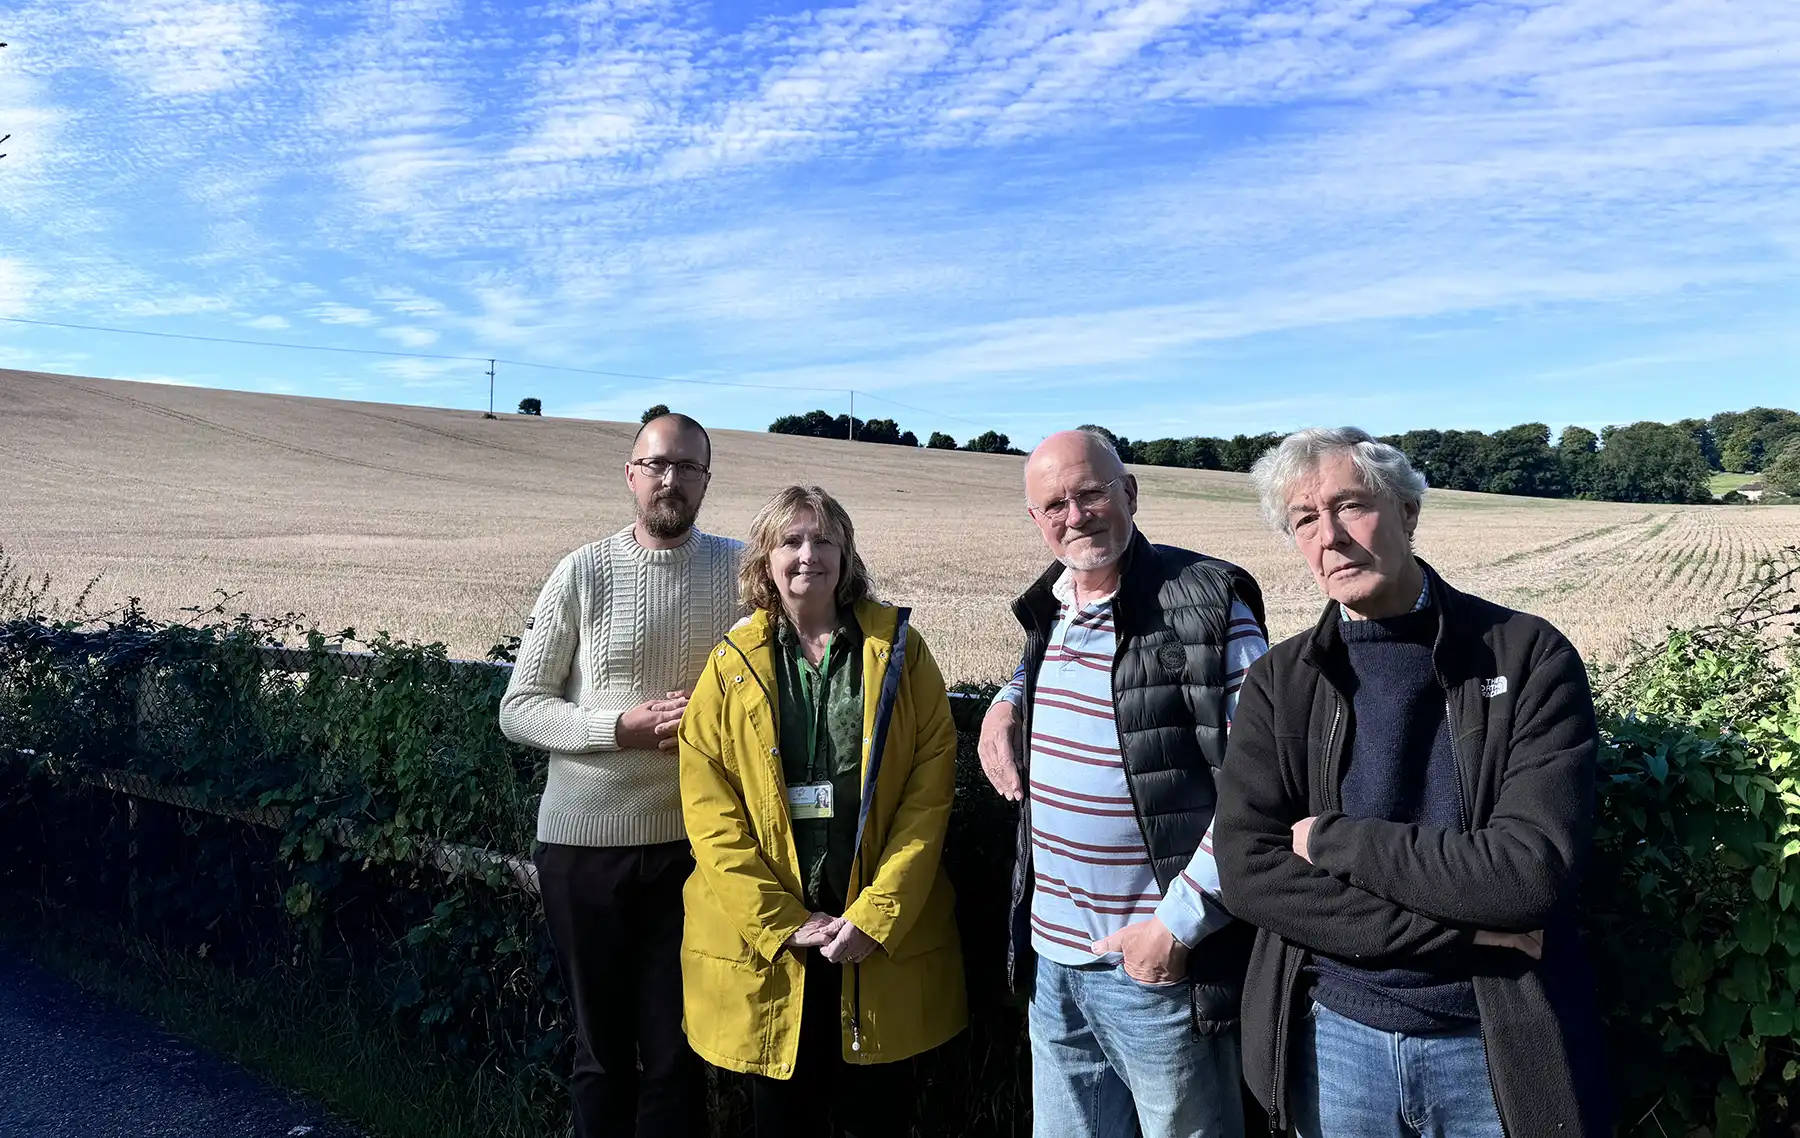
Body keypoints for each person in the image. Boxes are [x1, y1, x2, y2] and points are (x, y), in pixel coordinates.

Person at [1213, 427, 1609, 1138]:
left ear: (1407, 513)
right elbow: (1248, 873)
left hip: (1489, 1042)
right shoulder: (1281, 680)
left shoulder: (1526, 657)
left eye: (1351, 505)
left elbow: (1528, 874)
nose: (1329, 536)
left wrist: (1334, 840)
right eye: (1305, 520)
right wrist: (1464, 934)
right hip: (1333, 1039)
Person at [977, 429, 1269, 1138]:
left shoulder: (1207, 603)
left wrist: (1175, 929)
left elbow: (1261, 785)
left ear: (1129, 492)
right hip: (1054, 962)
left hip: (1159, 966)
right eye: (1055, 504)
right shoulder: (1051, 607)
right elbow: (1044, 670)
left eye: (1090, 493)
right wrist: (1007, 697)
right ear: (1036, 520)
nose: (1075, 516)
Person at [679, 484, 967, 1138]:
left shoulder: (899, 650)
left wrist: (876, 913)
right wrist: (781, 922)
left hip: (876, 944)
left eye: (824, 540)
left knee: (880, 1118)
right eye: (792, 540)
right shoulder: (730, 664)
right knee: (784, 1119)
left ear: (847, 554)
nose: (809, 554)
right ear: (765, 558)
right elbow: (709, 809)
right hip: (777, 946)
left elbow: (929, 792)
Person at [498, 413, 743, 1138]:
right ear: (631, 474)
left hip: (698, 849)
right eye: (657, 464)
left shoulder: (740, 569)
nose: (671, 481)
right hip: (583, 850)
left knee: (677, 1055)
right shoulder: (582, 571)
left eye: (687, 468)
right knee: (601, 1054)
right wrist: (619, 729)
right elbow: (519, 709)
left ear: (705, 480)